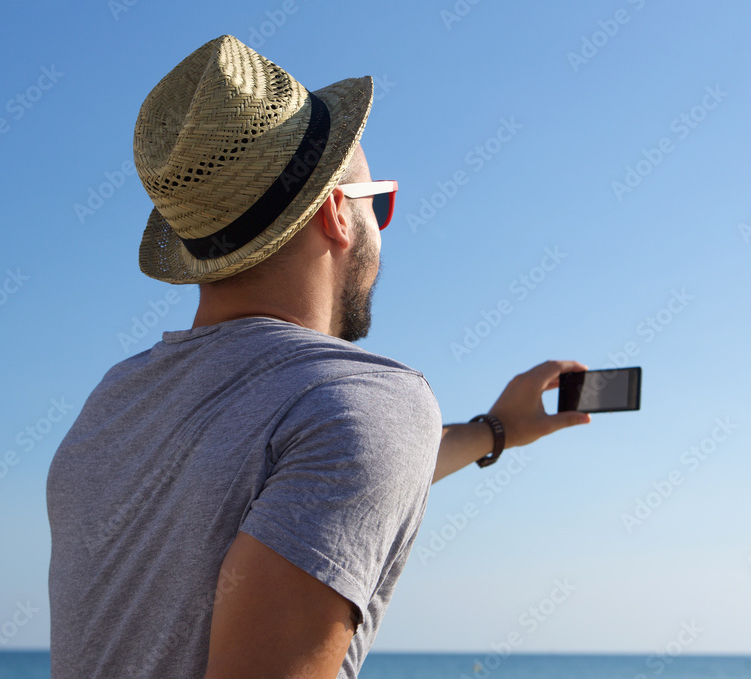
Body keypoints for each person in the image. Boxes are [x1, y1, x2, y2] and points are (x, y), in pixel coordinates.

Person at [46, 35, 591, 679]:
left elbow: (303, 480)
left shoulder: (120, 397)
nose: (381, 232)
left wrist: (494, 432)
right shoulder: (369, 403)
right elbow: (338, 449)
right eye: (378, 205)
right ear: (336, 212)